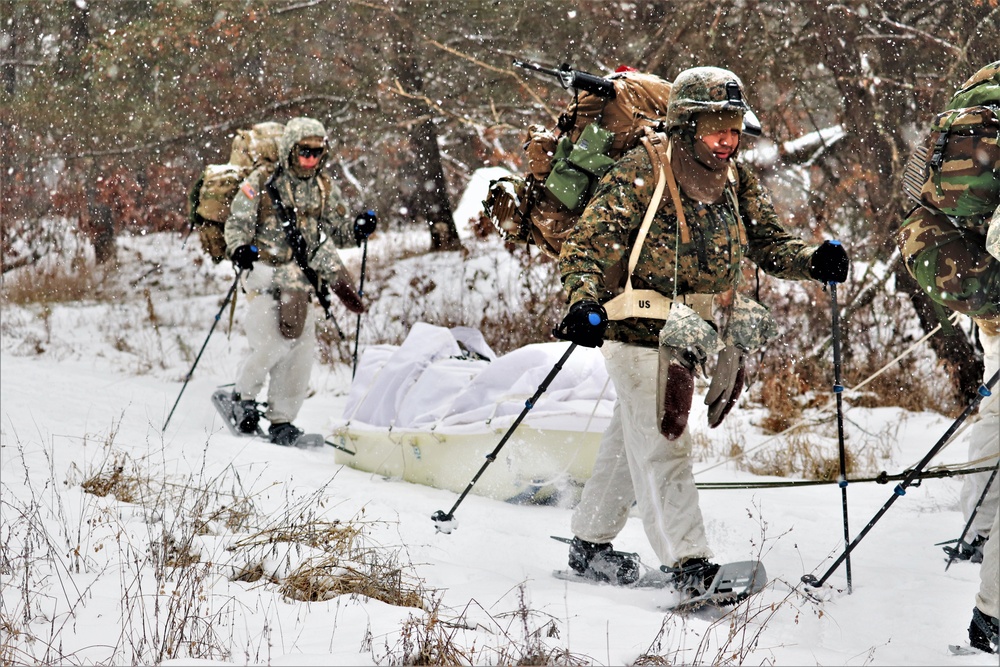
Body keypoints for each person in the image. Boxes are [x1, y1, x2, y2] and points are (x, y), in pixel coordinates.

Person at [553, 66, 850, 595]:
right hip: (637, 330)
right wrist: (583, 305)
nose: (728, 140)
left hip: (692, 333)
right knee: (666, 443)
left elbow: (770, 244)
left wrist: (813, 260)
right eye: (717, 127)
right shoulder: (639, 172)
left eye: (735, 128)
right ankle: (689, 565)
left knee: (631, 437)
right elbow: (584, 250)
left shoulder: (735, 178)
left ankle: (589, 542)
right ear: (686, 125)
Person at [897, 60, 1000, 653]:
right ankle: (993, 613)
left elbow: (919, 195)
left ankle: (974, 529)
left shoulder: (973, 98)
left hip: (987, 297)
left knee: (994, 417)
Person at [224, 117, 376, 447]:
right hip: (264, 269)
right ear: (290, 149)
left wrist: (359, 229)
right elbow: (237, 221)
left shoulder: (323, 186)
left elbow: (338, 231)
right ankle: (242, 398)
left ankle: (282, 419)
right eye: (304, 152)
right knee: (275, 341)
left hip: (302, 276)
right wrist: (240, 249)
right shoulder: (262, 181)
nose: (310, 159)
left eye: (317, 153)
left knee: (301, 349)